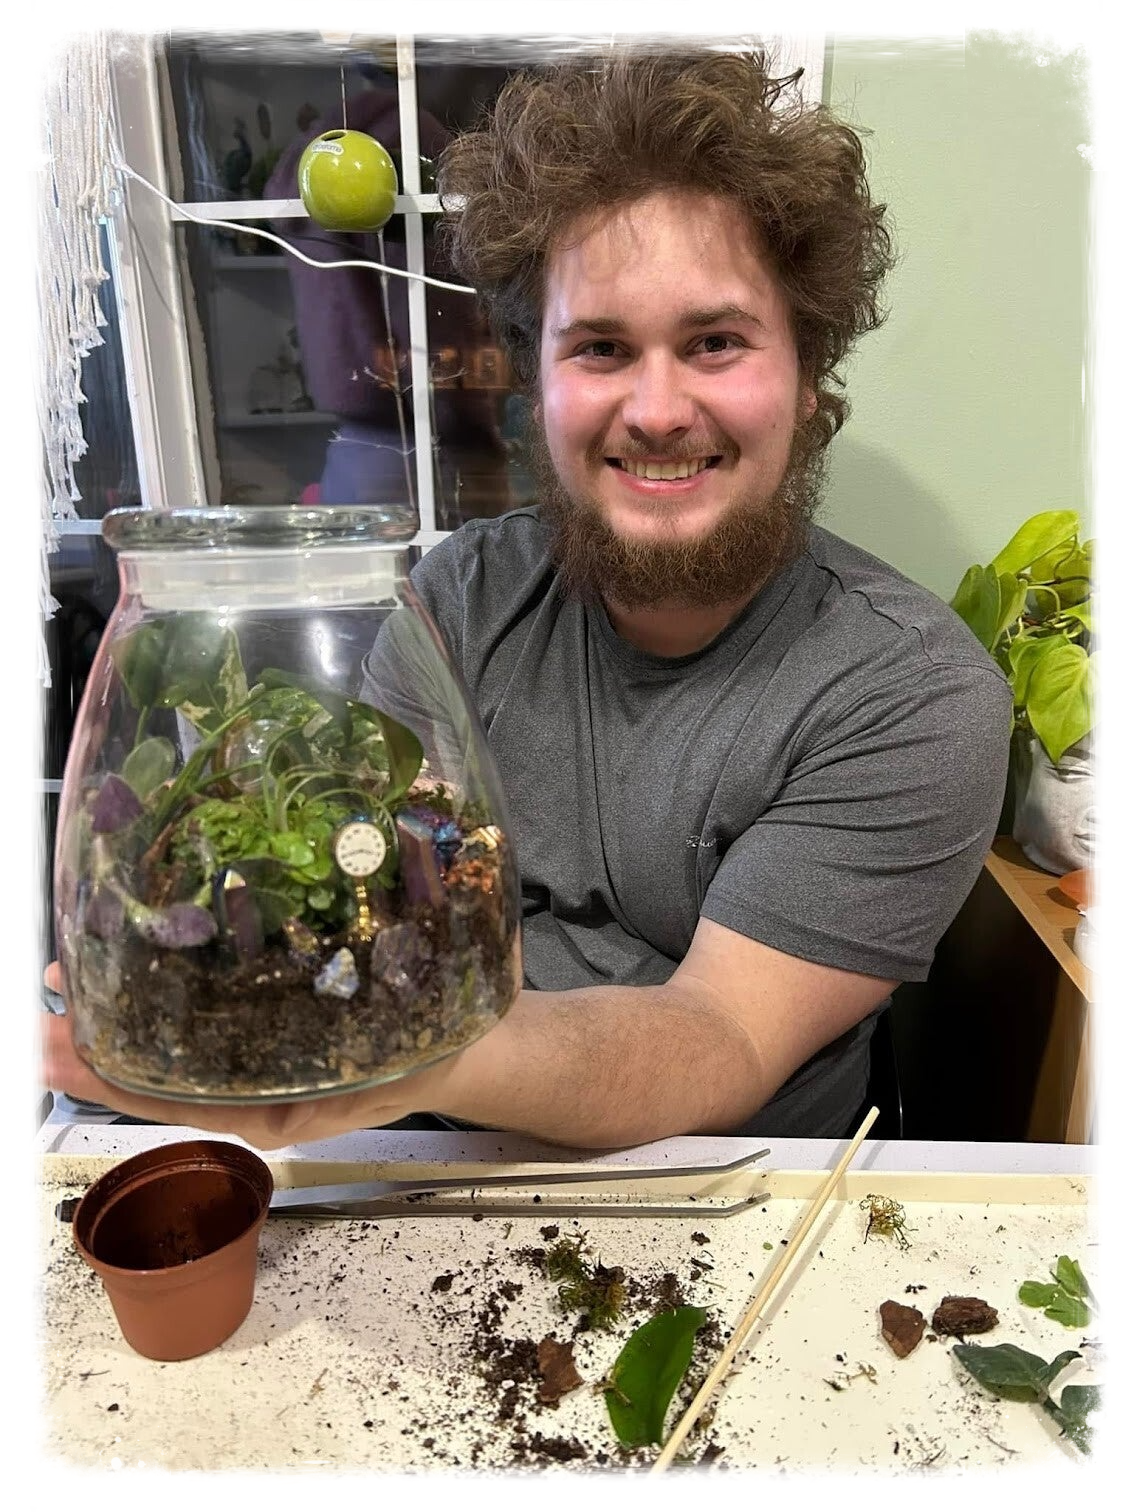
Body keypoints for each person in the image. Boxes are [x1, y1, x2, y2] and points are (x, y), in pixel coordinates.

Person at [42, 47, 1011, 1150]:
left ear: (804, 376)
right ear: (535, 385)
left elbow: (723, 1038)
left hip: (725, 1190)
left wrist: (389, 1051)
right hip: (425, 1152)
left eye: (716, 342)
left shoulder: (912, 695)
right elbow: (379, 888)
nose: (657, 409)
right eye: (601, 347)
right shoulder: (458, 601)